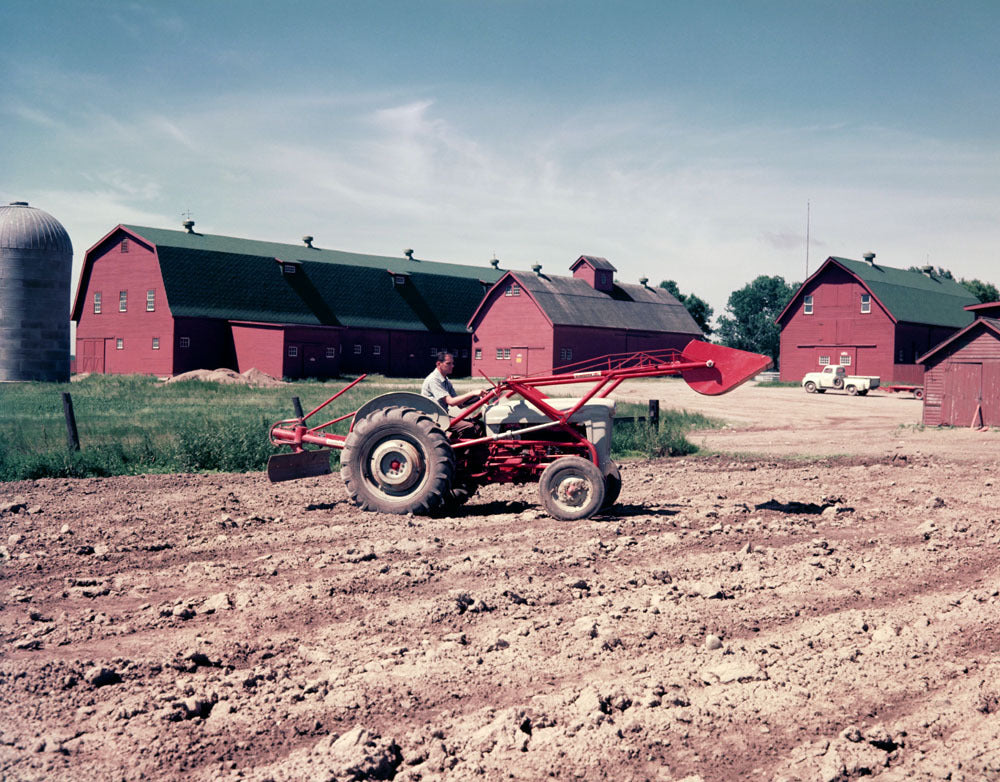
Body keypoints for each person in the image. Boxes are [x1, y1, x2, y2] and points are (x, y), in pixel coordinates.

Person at [421, 351, 483, 435]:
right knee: (469, 427)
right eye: (448, 363)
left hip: (443, 416)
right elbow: (451, 402)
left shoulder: (446, 381)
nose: (452, 366)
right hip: (435, 418)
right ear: (439, 364)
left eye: (452, 363)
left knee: (479, 425)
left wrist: (480, 398)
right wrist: (472, 393)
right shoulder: (433, 380)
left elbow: (460, 404)